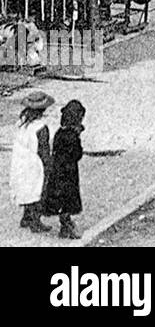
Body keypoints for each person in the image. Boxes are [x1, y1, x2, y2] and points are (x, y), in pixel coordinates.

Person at [10, 90, 54, 232]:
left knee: (25, 188)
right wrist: (48, 165)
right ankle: (35, 220)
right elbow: (43, 150)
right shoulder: (41, 127)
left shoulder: (21, 122)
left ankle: (26, 216)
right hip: (34, 163)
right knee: (38, 189)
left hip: (20, 160)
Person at [43, 99, 85, 239]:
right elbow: (77, 154)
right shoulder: (72, 136)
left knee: (61, 197)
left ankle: (64, 224)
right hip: (69, 171)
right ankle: (66, 226)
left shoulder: (59, 133)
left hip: (57, 169)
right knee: (68, 198)